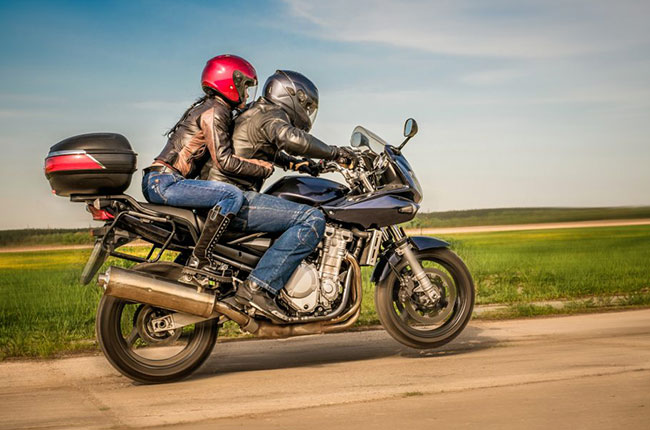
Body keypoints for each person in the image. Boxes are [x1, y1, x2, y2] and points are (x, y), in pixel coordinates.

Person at [203, 70, 356, 318]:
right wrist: (335, 153)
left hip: (225, 195)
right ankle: (257, 288)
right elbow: (289, 137)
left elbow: (263, 148)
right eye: (306, 105)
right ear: (292, 96)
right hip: (235, 199)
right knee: (312, 220)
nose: (307, 112)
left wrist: (301, 165)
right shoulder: (271, 115)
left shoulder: (258, 112)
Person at [142, 55, 273, 280]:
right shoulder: (215, 111)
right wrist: (261, 168)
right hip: (165, 182)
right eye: (245, 86)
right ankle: (200, 260)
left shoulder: (213, 108)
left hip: (163, 181)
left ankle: (180, 279)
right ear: (232, 82)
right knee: (231, 195)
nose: (247, 93)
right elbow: (225, 160)